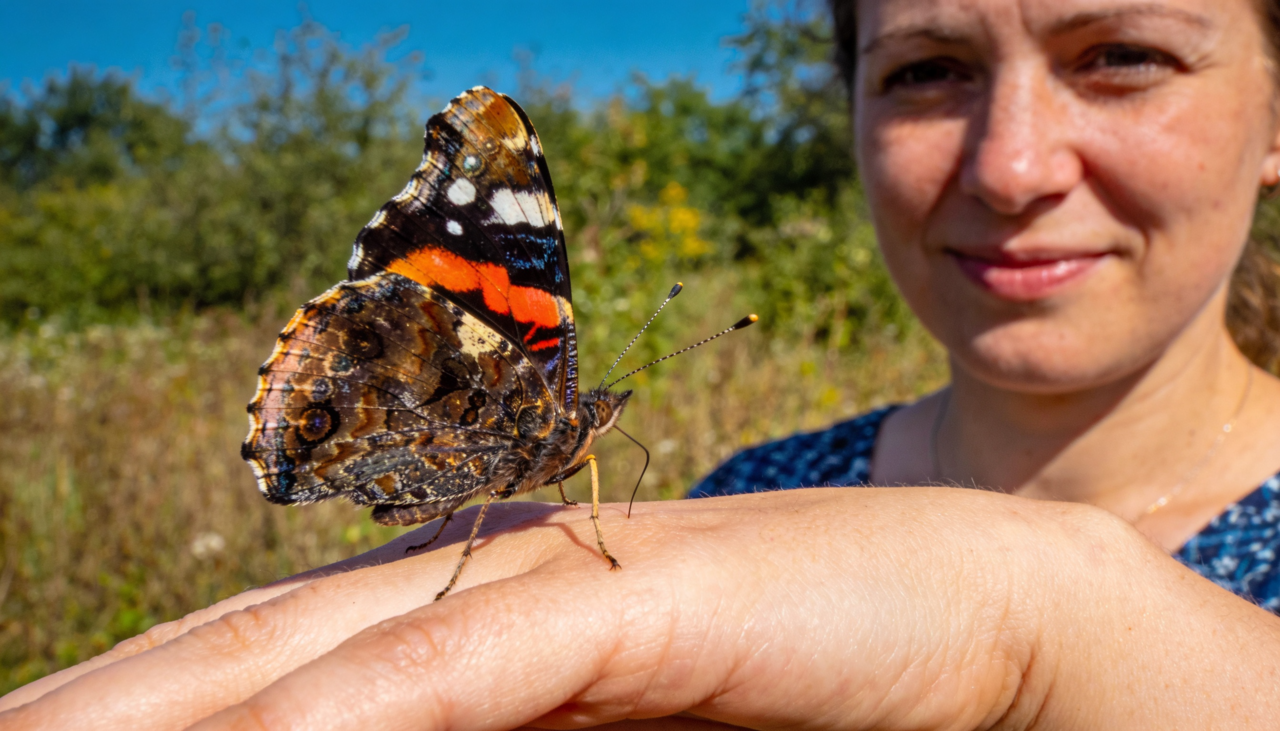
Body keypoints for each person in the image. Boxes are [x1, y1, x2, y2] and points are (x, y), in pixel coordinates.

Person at [4, 0, 1280, 727]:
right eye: (928, 70)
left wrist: (1044, 611)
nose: (1010, 167)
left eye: (1122, 54)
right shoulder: (748, 501)